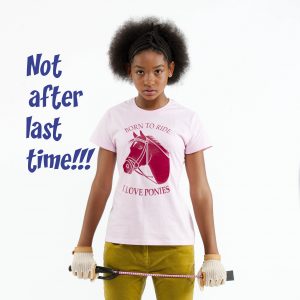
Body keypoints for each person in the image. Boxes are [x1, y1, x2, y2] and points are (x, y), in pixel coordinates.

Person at [70, 16, 227, 300]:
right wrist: (83, 245)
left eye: (157, 71)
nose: (149, 80)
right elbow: (101, 185)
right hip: (122, 245)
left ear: (170, 69)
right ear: (128, 71)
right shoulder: (114, 117)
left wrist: (212, 252)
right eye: (140, 72)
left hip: (175, 245)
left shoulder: (188, 120)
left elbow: (200, 189)